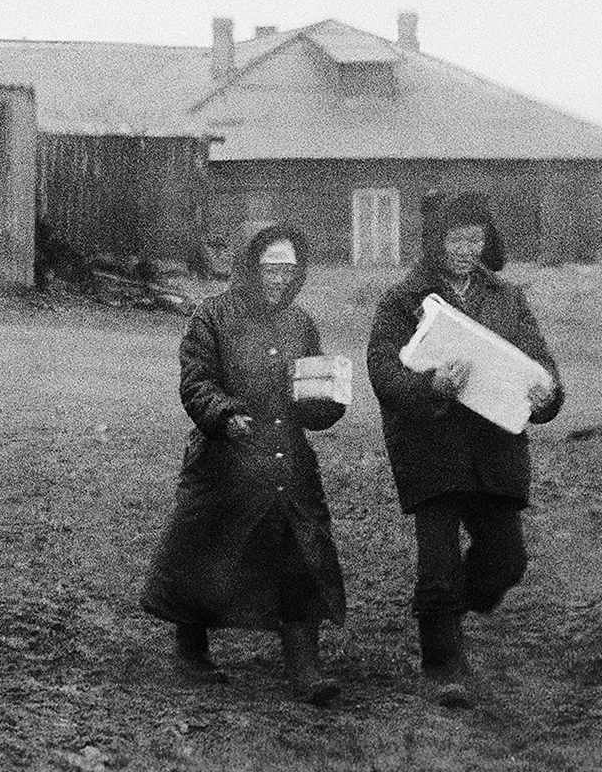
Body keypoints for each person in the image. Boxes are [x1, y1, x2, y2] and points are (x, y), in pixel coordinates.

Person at [366, 191, 564, 708]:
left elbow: (538, 364)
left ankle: (452, 605)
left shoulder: (507, 298)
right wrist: (431, 384)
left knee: (507, 560)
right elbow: (383, 372)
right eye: (456, 238)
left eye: (475, 238)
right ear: (436, 242)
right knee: (437, 564)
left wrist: (548, 392)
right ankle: (443, 664)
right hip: (431, 447)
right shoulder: (403, 301)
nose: (465, 248)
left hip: (494, 448)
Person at [140, 223, 347, 705]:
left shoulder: (301, 322)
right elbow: (196, 382)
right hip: (225, 462)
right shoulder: (212, 315)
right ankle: (191, 652)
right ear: (250, 265)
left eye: (288, 267)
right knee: (204, 551)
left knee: (301, 553)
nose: (279, 276)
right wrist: (225, 414)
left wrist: (327, 402)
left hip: (287, 462)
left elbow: (310, 387)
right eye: (271, 266)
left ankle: (305, 666)